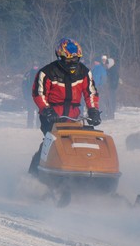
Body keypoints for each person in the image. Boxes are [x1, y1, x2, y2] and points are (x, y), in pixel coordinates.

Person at [29, 38, 100, 174]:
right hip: (51, 115)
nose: (72, 64)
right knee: (51, 142)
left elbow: (90, 92)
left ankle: (81, 171)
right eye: (68, 60)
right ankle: (34, 174)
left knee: (77, 143)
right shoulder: (47, 72)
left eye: (76, 60)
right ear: (60, 57)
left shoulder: (84, 72)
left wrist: (93, 110)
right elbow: (39, 94)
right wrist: (47, 110)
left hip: (74, 116)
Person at [22, 62, 39, 129]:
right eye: (34, 65)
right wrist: (25, 95)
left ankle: (39, 125)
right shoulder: (28, 74)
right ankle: (29, 125)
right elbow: (24, 85)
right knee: (30, 111)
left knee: (39, 112)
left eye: (36, 65)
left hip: (39, 96)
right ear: (32, 66)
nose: (35, 67)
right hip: (30, 96)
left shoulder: (41, 73)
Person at [102, 54, 119, 120]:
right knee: (109, 101)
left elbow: (114, 80)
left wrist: (110, 86)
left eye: (107, 64)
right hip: (110, 88)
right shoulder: (110, 69)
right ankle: (109, 113)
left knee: (111, 101)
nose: (106, 65)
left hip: (112, 88)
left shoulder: (113, 70)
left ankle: (111, 114)